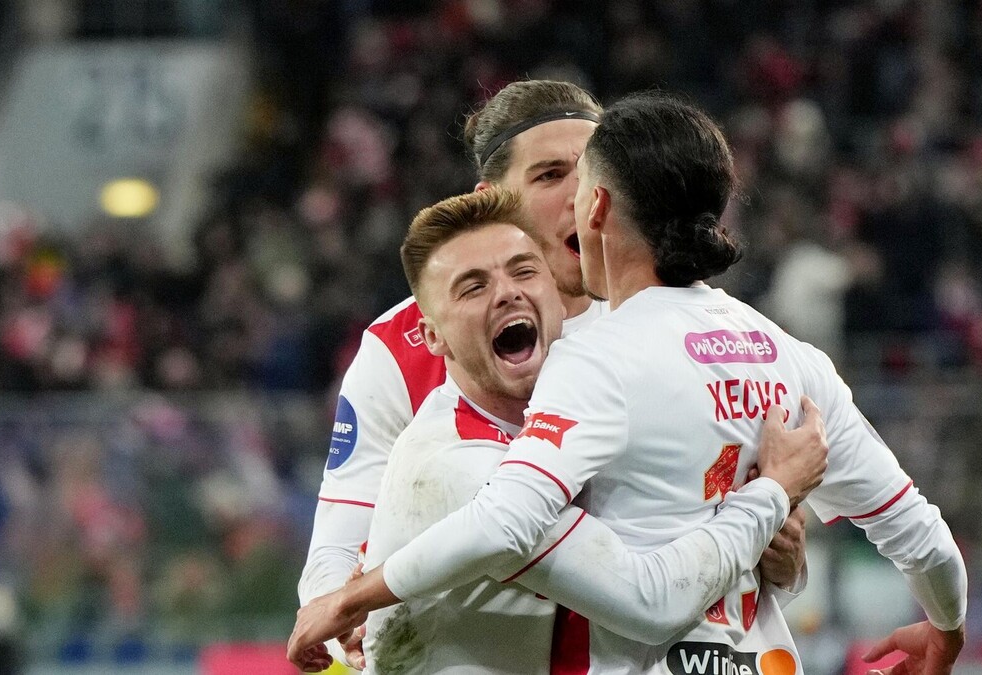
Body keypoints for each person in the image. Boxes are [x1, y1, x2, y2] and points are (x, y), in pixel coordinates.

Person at [289, 92, 968, 674]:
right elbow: (922, 537)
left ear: (602, 204)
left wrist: (776, 538)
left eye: (582, 174)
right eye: (549, 174)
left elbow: (520, 529)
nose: (570, 195)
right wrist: (947, 625)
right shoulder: (789, 357)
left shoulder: (596, 357)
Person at [292, 188, 827, 673]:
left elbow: (695, 555)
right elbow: (654, 600)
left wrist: (779, 558)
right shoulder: (457, 463)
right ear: (434, 337)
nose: (507, 294)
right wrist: (773, 492)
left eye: (524, 272)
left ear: (556, 294)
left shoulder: (581, 427)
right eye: (473, 287)